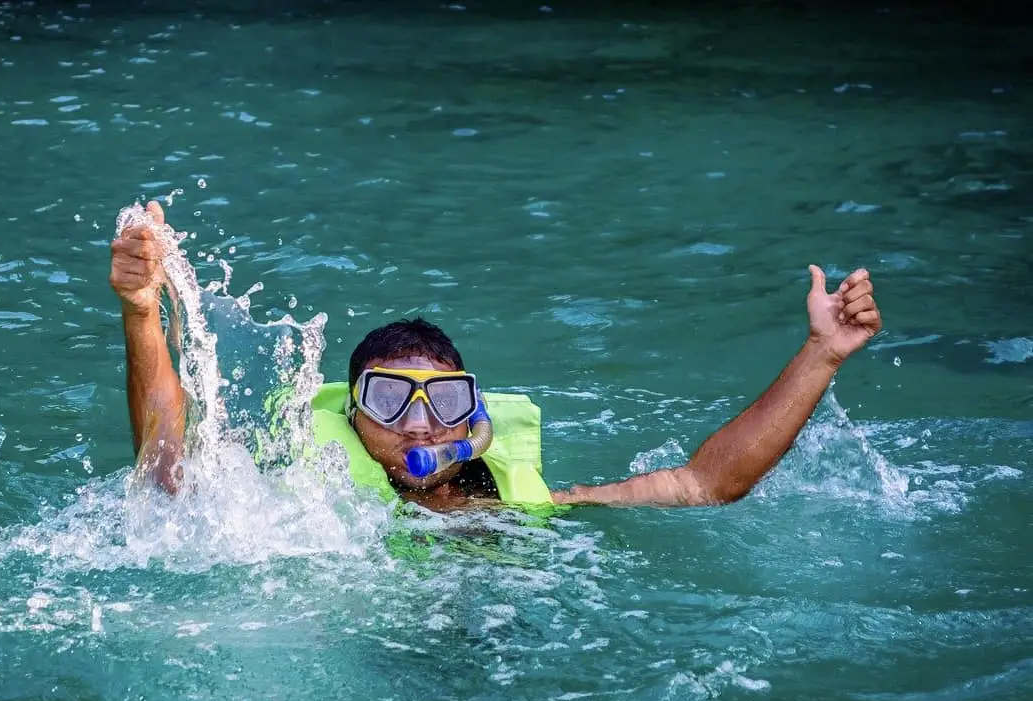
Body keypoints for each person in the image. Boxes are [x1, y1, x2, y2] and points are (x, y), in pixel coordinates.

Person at [110, 201, 883, 511]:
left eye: (441, 402)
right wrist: (143, 312)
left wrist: (821, 354)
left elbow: (705, 482)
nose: (419, 428)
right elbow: (166, 467)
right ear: (350, 414)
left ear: (473, 414)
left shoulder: (518, 504)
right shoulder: (296, 508)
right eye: (389, 401)